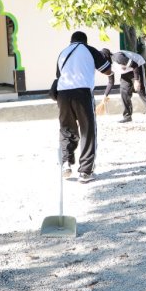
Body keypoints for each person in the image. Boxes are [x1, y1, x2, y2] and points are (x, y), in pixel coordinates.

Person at [56, 31, 112, 183]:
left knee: (66, 129)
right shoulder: (89, 49)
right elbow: (107, 70)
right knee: (88, 131)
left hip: (62, 93)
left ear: (71, 41)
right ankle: (85, 172)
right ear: (85, 41)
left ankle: (66, 162)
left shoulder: (63, 53)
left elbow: (58, 75)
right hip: (82, 92)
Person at [101, 48, 146, 123]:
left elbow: (135, 65)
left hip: (138, 66)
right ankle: (127, 116)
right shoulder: (108, 67)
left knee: (142, 91)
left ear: (106, 58)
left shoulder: (117, 58)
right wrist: (105, 95)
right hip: (126, 72)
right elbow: (111, 82)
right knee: (124, 91)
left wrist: (137, 80)